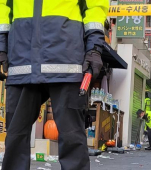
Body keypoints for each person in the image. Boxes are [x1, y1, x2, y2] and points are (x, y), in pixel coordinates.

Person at [0, 1, 109, 170]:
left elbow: (95, 7)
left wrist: (94, 47)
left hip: (66, 61)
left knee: (72, 137)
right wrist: (1, 45)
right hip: (23, 61)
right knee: (15, 138)